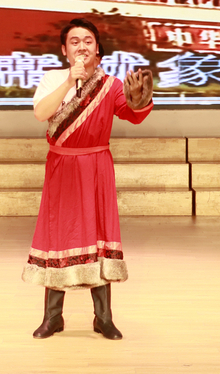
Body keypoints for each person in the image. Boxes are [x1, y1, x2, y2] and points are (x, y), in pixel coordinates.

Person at [22, 18, 154, 340]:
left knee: (99, 237)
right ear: (64, 50)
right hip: (61, 167)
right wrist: (70, 80)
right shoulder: (53, 79)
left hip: (96, 167)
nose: (81, 46)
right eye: (74, 41)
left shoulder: (110, 85)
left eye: (88, 41)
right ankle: (53, 318)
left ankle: (103, 318)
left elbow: (132, 113)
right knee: (58, 235)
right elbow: (41, 113)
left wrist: (140, 99)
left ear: (98, 50)